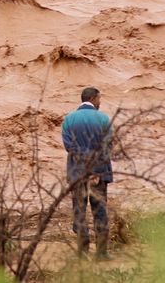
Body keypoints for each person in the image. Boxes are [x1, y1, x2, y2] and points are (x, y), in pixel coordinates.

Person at [61, 87, 114, 260]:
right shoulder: (103, 118)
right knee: (100, 212)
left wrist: (85, 171)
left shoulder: (69, 119)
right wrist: (95, 171)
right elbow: (106, 146)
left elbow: (70, 147)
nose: (100, 102)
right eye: (99, 98)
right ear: (92, 98)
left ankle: (82, 254)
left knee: (79, 212)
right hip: (99, 174)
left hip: (77, 175)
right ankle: (101, 254)